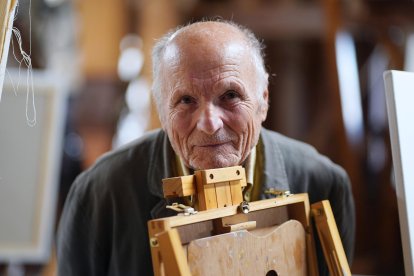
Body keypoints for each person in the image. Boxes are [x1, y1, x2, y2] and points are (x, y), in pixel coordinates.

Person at [57, 20, 355, 276]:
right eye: (186, 100)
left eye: (229, 95)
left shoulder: (324, 185)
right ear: (161, 110)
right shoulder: (99, 192)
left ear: (263, 99)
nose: (209, 123)